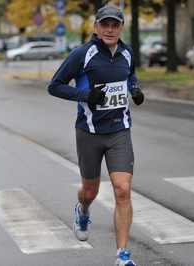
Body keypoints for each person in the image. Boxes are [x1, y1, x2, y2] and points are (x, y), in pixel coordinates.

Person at [48, 5, 144, 266]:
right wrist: (85, 95)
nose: (110, 29)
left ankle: (122, 256)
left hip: (119, 131)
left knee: (123, 190)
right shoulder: (82, 54)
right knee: (90, 191)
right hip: (89, 133)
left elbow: (131, 73)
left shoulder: (127, 52)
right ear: (96, 27)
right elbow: (54, 87)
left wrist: (134, 88)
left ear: (121, 28)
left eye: (115, 25)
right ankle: (83, 211)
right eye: (105, 25)